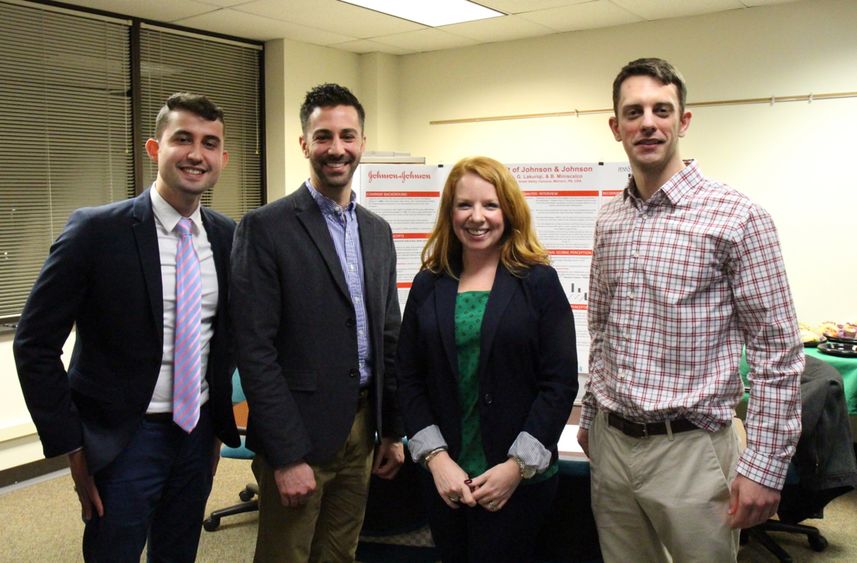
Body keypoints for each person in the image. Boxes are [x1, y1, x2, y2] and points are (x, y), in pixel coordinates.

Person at [577, 57, 804, 562]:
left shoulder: (739, 217)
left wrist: (764, 466)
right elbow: (602, 328)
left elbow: (777, 354)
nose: (648, 123)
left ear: (683, 121)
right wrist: (591, 414)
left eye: (662, 109)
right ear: (616, 128)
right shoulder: (610, 218)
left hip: (693, 451)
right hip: (613, 445)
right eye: (633, 112)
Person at [14, 92, 240, 562]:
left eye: (209, 143)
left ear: (222, 158)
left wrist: (216, 432)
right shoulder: (96, 232)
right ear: (154, 148)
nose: (197, 153)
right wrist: (73, 445)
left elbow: (223, 341)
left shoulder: (228, 237)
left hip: (196, 436)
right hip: (123, 441)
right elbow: (34, 344)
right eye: (183, 139)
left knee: (178, 554)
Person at [230, 83, 404, 562]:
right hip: (300, 435)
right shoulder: (266, 227)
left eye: (348, 136)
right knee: (287, 554)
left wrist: (391, 429)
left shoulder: (377, 231)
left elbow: (389, 334)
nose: (337, 148)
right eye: (323, 136)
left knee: (340, 552)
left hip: (364, 427)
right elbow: (255, 349)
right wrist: (285, 455)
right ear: (304, 143)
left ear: (362, 143)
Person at [396, 156, 579, 562]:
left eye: (490, 205)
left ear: (508, 211)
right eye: (465, 205)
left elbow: (560, 382)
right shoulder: (430, 282)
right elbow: (407, 377)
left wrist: (516, 466)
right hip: (446, 476)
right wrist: (437, 459)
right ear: (449, 212)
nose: (477, 217)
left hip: (518, 478)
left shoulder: (538, 281)